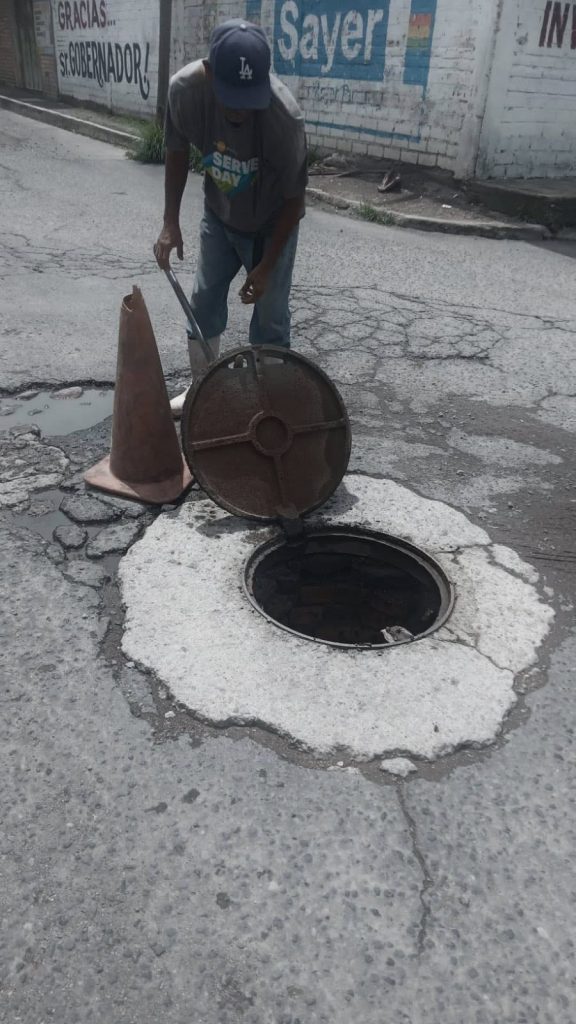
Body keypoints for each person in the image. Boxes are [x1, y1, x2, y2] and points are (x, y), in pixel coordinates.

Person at [154, 19, 308, 416]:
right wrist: (170, 222)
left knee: (271, 316)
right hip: (219, 215)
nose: (240, 109)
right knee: (203, 301)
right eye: (231, 98)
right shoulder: (184, 92)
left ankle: (271, 406)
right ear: (209, 73)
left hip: (272, 222)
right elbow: (176, 151)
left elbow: (295, 201)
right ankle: (203, 393)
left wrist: (266, 266)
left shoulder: (284, 118)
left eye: (248, 99)